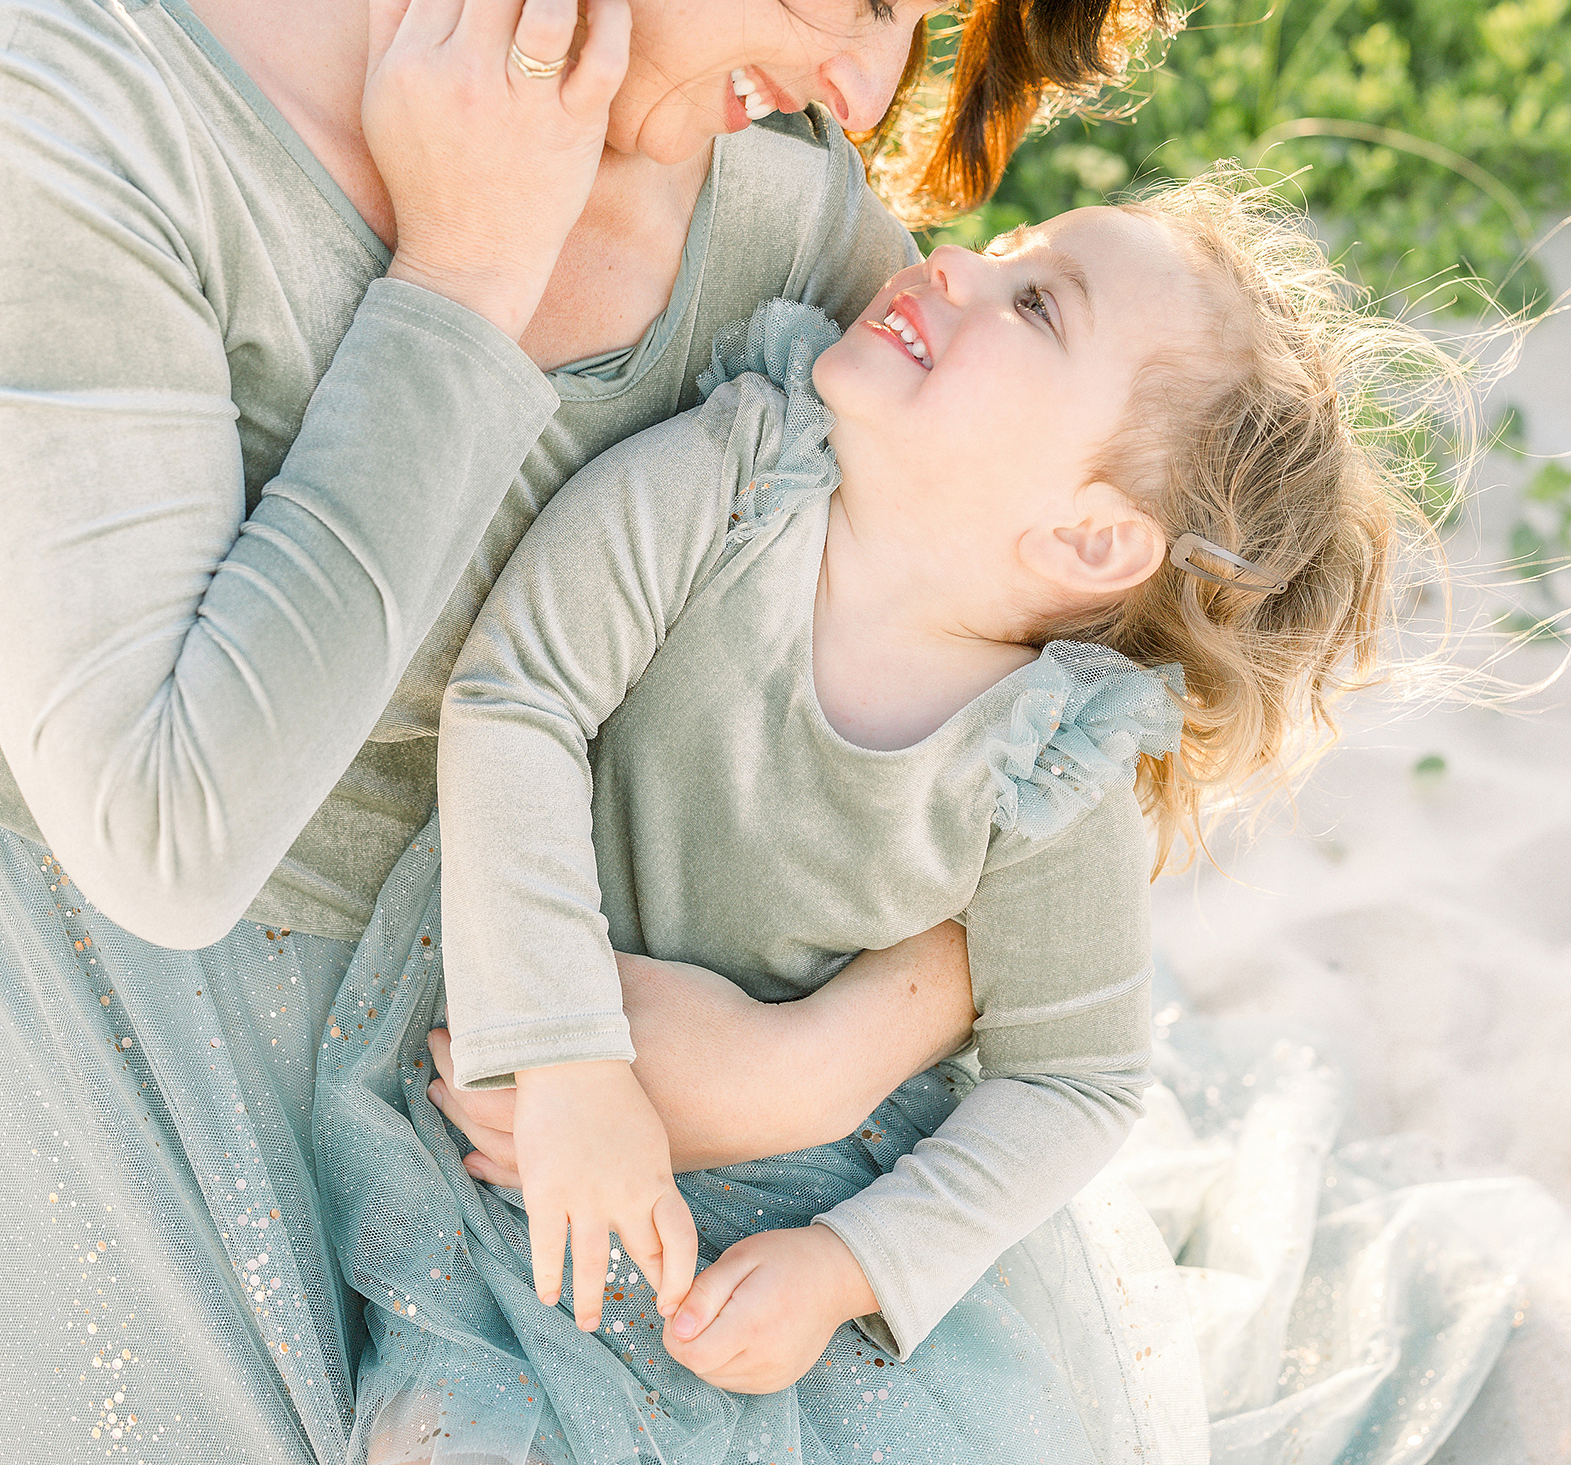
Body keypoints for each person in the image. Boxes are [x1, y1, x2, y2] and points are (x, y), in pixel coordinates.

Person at [0, 0, 1177, 1462]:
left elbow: (1064, 715)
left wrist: (816, 1056)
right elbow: (167, 838)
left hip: (629, 1110)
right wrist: (458, 279)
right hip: (158, 1069)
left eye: (930, 15)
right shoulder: (74, 121)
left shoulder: (783, 210)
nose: (865, 84)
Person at [314, 170, 1457, 1465]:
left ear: (1088, 540)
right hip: (525, 1082)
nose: (958, 260)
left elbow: (1077, 1077)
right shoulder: (739, 478)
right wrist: (572, 1065)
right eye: (1002, 245)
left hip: (787, 1201)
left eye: (1034, 304)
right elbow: (517, 696)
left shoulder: (1044, 756)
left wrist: (846, 1268)